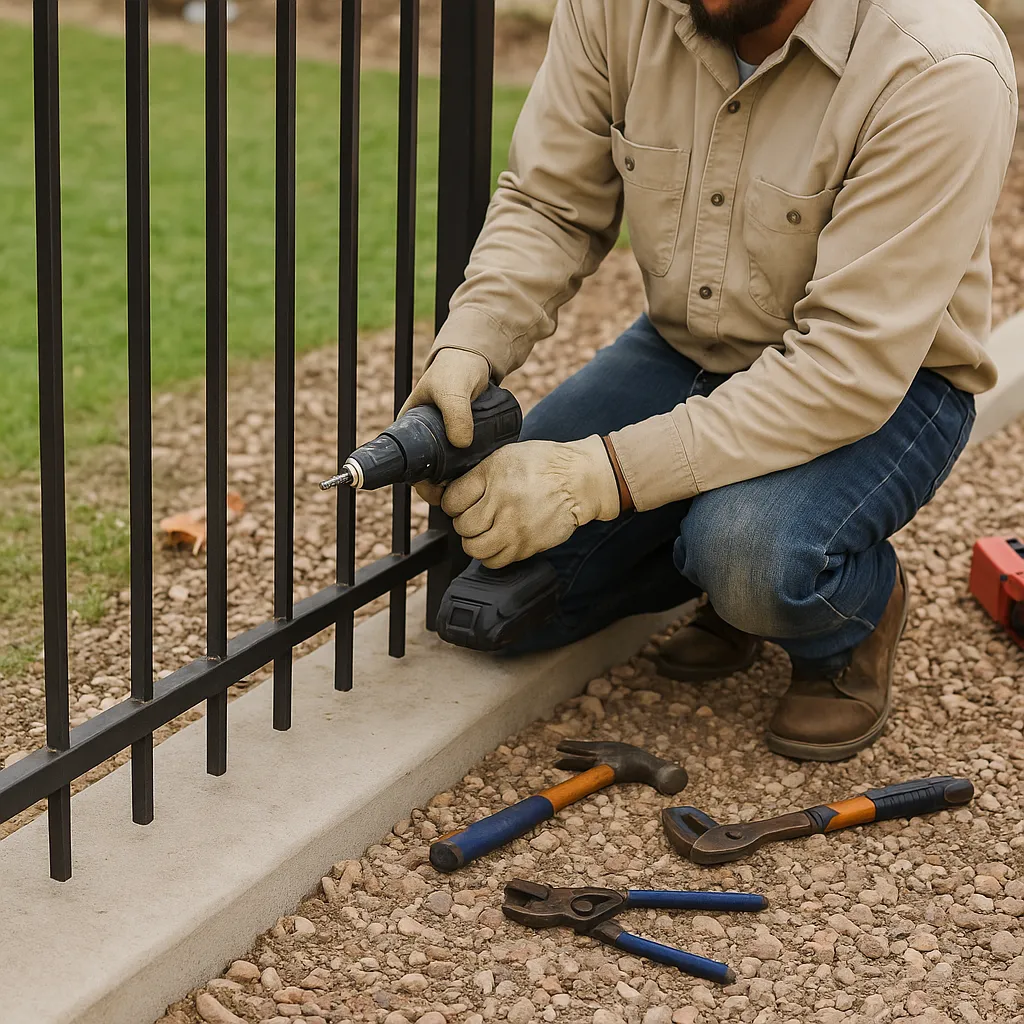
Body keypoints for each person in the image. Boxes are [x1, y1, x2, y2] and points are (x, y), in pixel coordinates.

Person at [401, 0, 1017, 761]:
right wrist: (470, 348)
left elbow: (849, 365)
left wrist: (595, 479)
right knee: (490, 565)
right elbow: (550, 204)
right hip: (688, 348)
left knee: (749, 554)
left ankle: (847, 618)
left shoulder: (940, 66)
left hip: (887, 385)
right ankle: (714, 554)